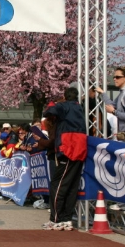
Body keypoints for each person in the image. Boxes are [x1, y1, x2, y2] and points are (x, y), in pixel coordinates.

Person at [42, 87, 87, 231]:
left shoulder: (63, 106)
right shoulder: (79, 108)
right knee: (72, 185)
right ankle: (67, 218)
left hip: (68, 149)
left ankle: (56, 219)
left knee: (58, 184)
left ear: (65, 96)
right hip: (80, 148)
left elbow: (47, 112)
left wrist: (52, 103)